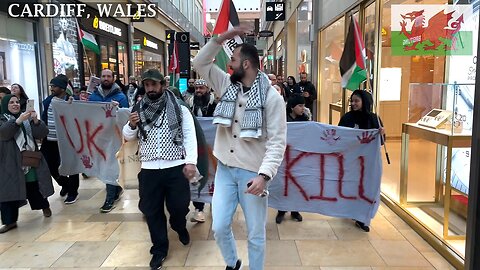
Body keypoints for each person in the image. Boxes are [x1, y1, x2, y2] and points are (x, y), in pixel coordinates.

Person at [193, 27, 287, 270]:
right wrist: (221, 38)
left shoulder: (272, 99)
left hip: (252, 175)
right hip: (225, 169)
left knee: (256, 234)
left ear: (246, 64)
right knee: (219, 226)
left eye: (232, 60)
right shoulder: (226, 84)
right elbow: (200, 61)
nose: (229, 64)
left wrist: (264, 176)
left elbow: (277, 142)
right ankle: (232, 263)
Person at [123, 69, 197, 270]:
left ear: (162, 85)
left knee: (179, 206)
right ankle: (159, 249)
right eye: (147, 85)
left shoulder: (179, 108)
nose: (151, 89)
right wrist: (131, 125)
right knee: (152, 210)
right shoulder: (138, 108)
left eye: (154, 85)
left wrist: (191, 162)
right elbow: (128, 136)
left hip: (175, 167)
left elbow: (190, 135)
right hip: (149, 169)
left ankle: (179, 225)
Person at [0, 94, 54, 233]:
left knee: (34, 185)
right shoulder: (3, 119)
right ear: (5, 105)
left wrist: (35, 120)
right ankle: (10, 221)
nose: (15, 104)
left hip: (29, 159)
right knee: (8, 191)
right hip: (10, 163)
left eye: (17, 102)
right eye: (11, 102)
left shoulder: (26, 118)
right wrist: (17, 121)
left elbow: (41, 133)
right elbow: (4, 134)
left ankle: (44, 206)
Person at [338, 89, 385, 232]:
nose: (353, 103)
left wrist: (381, 134)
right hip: (351, 162)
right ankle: (350, 210)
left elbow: (381, 142)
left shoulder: (374, 119)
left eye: (356, 101)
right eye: (352, 101)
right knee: (351, 187)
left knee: (365, 189)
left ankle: (362, 218)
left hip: (368, 163)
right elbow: (340, 137)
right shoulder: (347, 118)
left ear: (365, 102)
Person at [88, 69, 129, 213]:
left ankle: (109, 198)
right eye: (103, 76)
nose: (106, 78)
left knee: (110, 166)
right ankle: (116, 190)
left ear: (113, 78)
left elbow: (125, 117)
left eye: (108, 76)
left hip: (115, 138)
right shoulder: (93, 97)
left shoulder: (121, 97)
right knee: (106, 166)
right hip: (99, 138)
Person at [40, 75, 80, 204]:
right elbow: (44, 119)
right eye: (51, 86)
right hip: (50, 140)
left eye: (54, 86)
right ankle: (65, 184)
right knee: (50, 166)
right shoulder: (47, 102)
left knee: (72, 166)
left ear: (62, 88)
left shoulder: (72, 101)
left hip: (68, 141)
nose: (52, 88)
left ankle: (73, 191)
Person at [275, 95, 309, 224]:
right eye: (300, 105)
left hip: (297, 158)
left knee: (296, 184)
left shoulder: (305, 119)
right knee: (282, 183)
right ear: (292, 107)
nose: (303, 108)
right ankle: (281, 210)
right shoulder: (282, 119)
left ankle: (295, 210)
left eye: (303, 105)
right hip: (283, 156)